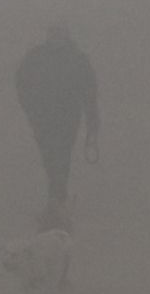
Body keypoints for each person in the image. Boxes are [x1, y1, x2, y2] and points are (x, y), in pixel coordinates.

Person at [13, 24, 100, 220]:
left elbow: (89, 91)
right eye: (53, 33)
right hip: (42, 118)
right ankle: (56, 194)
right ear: (48, 35)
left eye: (60, 33)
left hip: (68, 117)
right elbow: (22, 82)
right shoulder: (36, 56)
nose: (56, 37)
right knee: (49, 156)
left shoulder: (77, 59)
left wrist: (92, 118)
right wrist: (30, 108)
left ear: (66, 35)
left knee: (62, 155)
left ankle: (58, 196)